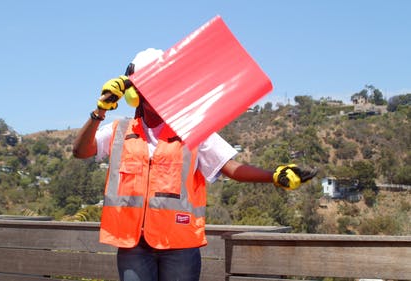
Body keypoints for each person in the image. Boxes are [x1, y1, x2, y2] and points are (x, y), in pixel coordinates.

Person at [73, 48, 317, 281]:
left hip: (179, 246)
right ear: (135, 93)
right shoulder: (119, 130)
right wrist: (99, 111)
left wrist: (273, 175)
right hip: (133, 245)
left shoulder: (193, 131)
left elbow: (230, 167)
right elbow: (80, 151)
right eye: (147, 86)